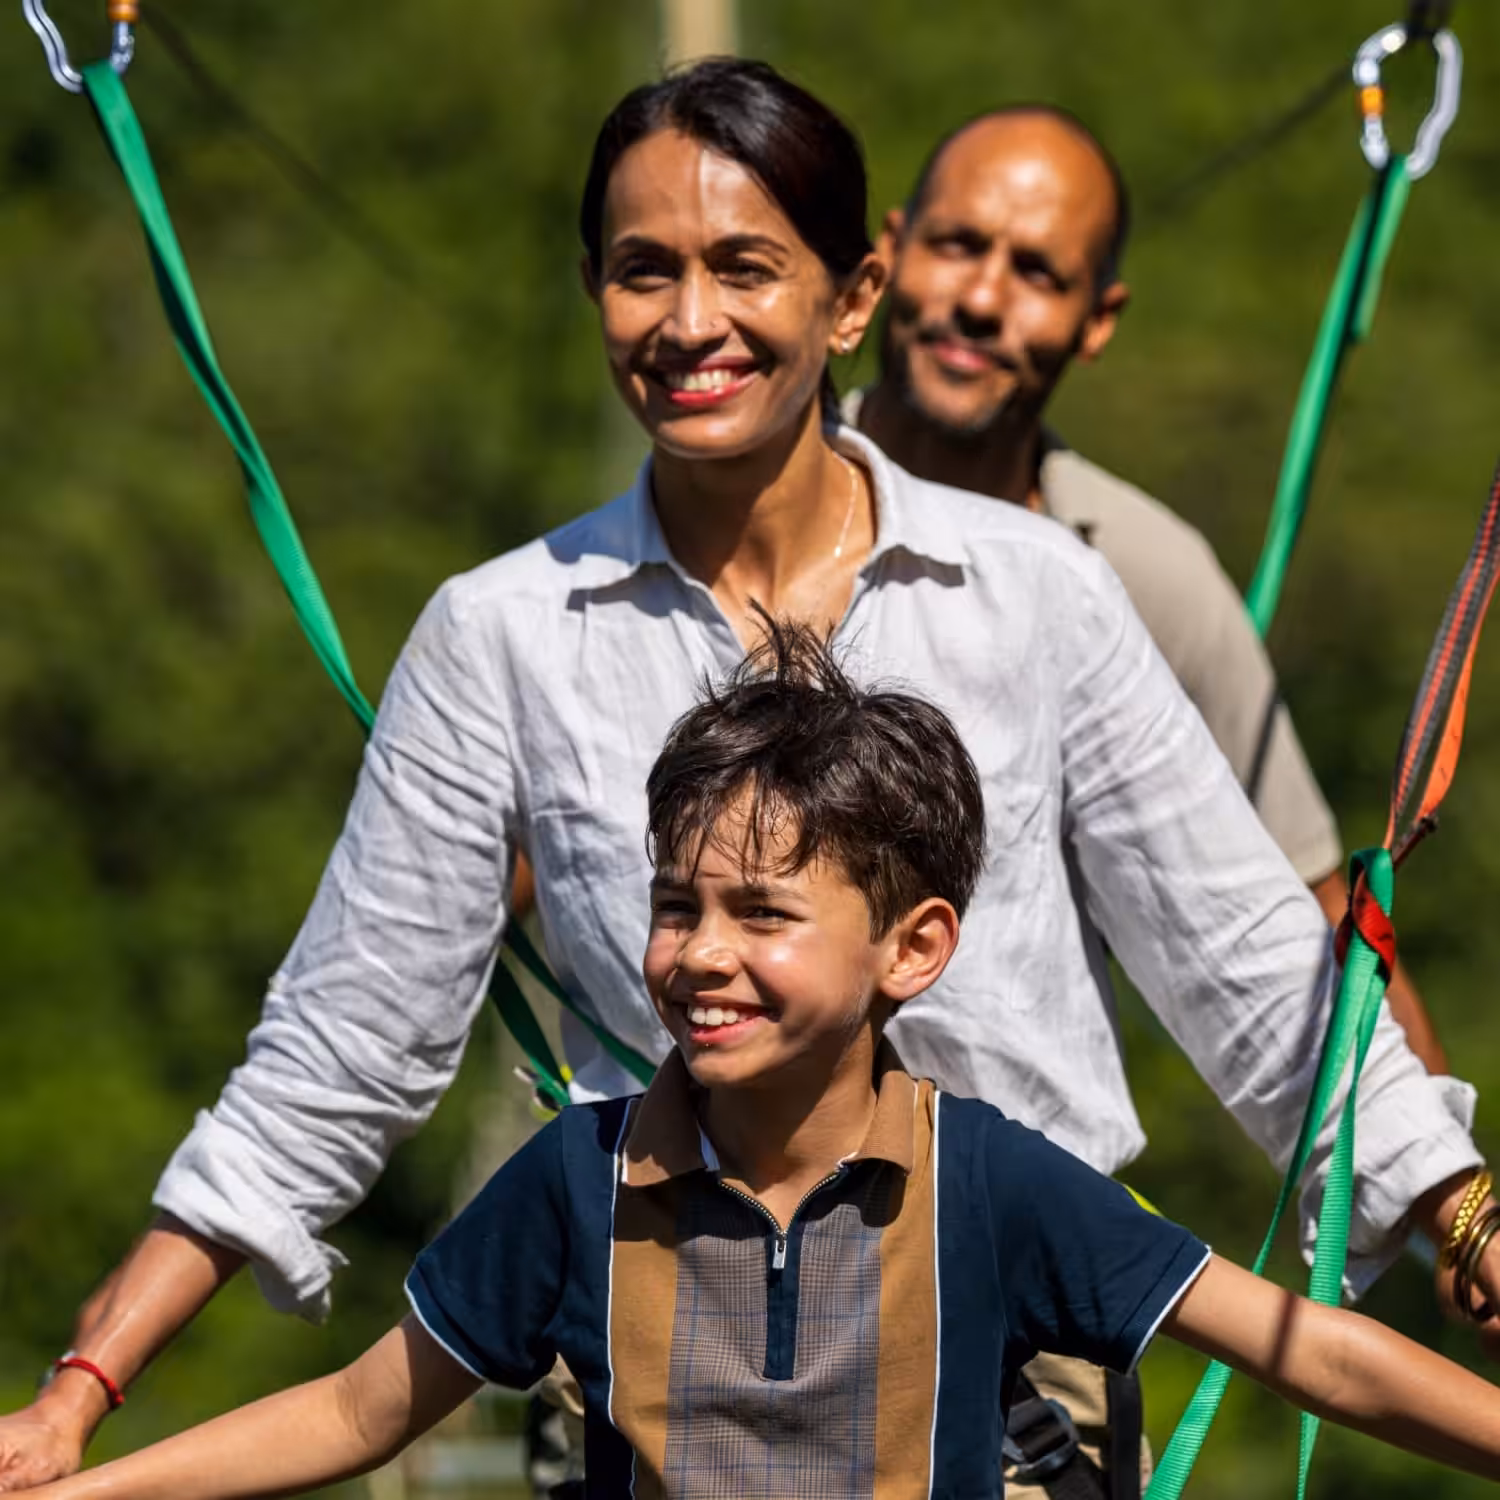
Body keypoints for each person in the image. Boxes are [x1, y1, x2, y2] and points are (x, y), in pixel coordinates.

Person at [0, 57, 1492, 1500]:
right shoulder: (501, 636)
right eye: (643, 268)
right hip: (653, 1353)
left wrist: (1463, 1212)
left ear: (851, 299)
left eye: (745, 267)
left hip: (1010, 1362)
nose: (689, 320)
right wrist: (85, 1395)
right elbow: (338, 1051)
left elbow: (1247, 965)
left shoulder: (1039, 593)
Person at [23, 624, 1500, 1500]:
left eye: (764, 914)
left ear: (911, 950)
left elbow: (1313, 1353)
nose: (700, 954)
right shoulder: (577, 1184)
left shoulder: (985, 1181)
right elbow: (358, 1411)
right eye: (677, 906)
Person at [849, 105, 1448, 1079]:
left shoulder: (1144, 577)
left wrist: (1465, 1214)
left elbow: (1306, 926)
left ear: (1099, 320)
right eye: (958, 246)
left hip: (1008, 1193)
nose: (984, 299)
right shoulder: (748, 499)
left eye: (1039, 273)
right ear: (887, 253)